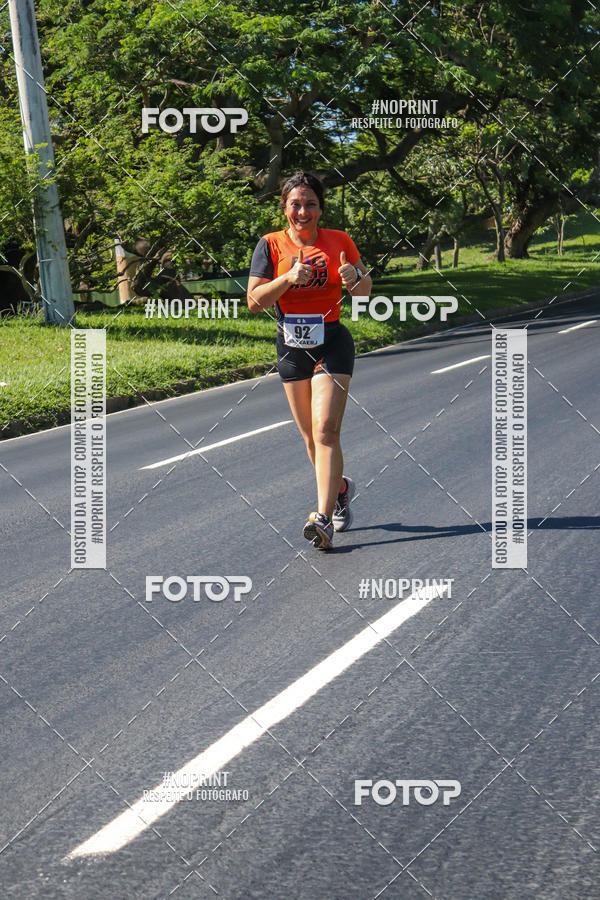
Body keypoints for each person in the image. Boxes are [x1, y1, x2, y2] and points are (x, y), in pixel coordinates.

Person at [246, 172, 372, 549]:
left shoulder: (339, 240)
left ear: (321, 208)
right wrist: (288, 278)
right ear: (284, 207)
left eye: (311, 204)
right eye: (296, 204)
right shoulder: (269, 245)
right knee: (310, 439)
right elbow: (254, 302)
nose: (303, 212)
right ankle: (340, 489)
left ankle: (323, 518)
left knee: (326, 430)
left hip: (332, 342)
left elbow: (364, 291)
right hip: (291, 347)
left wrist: (353, 277)